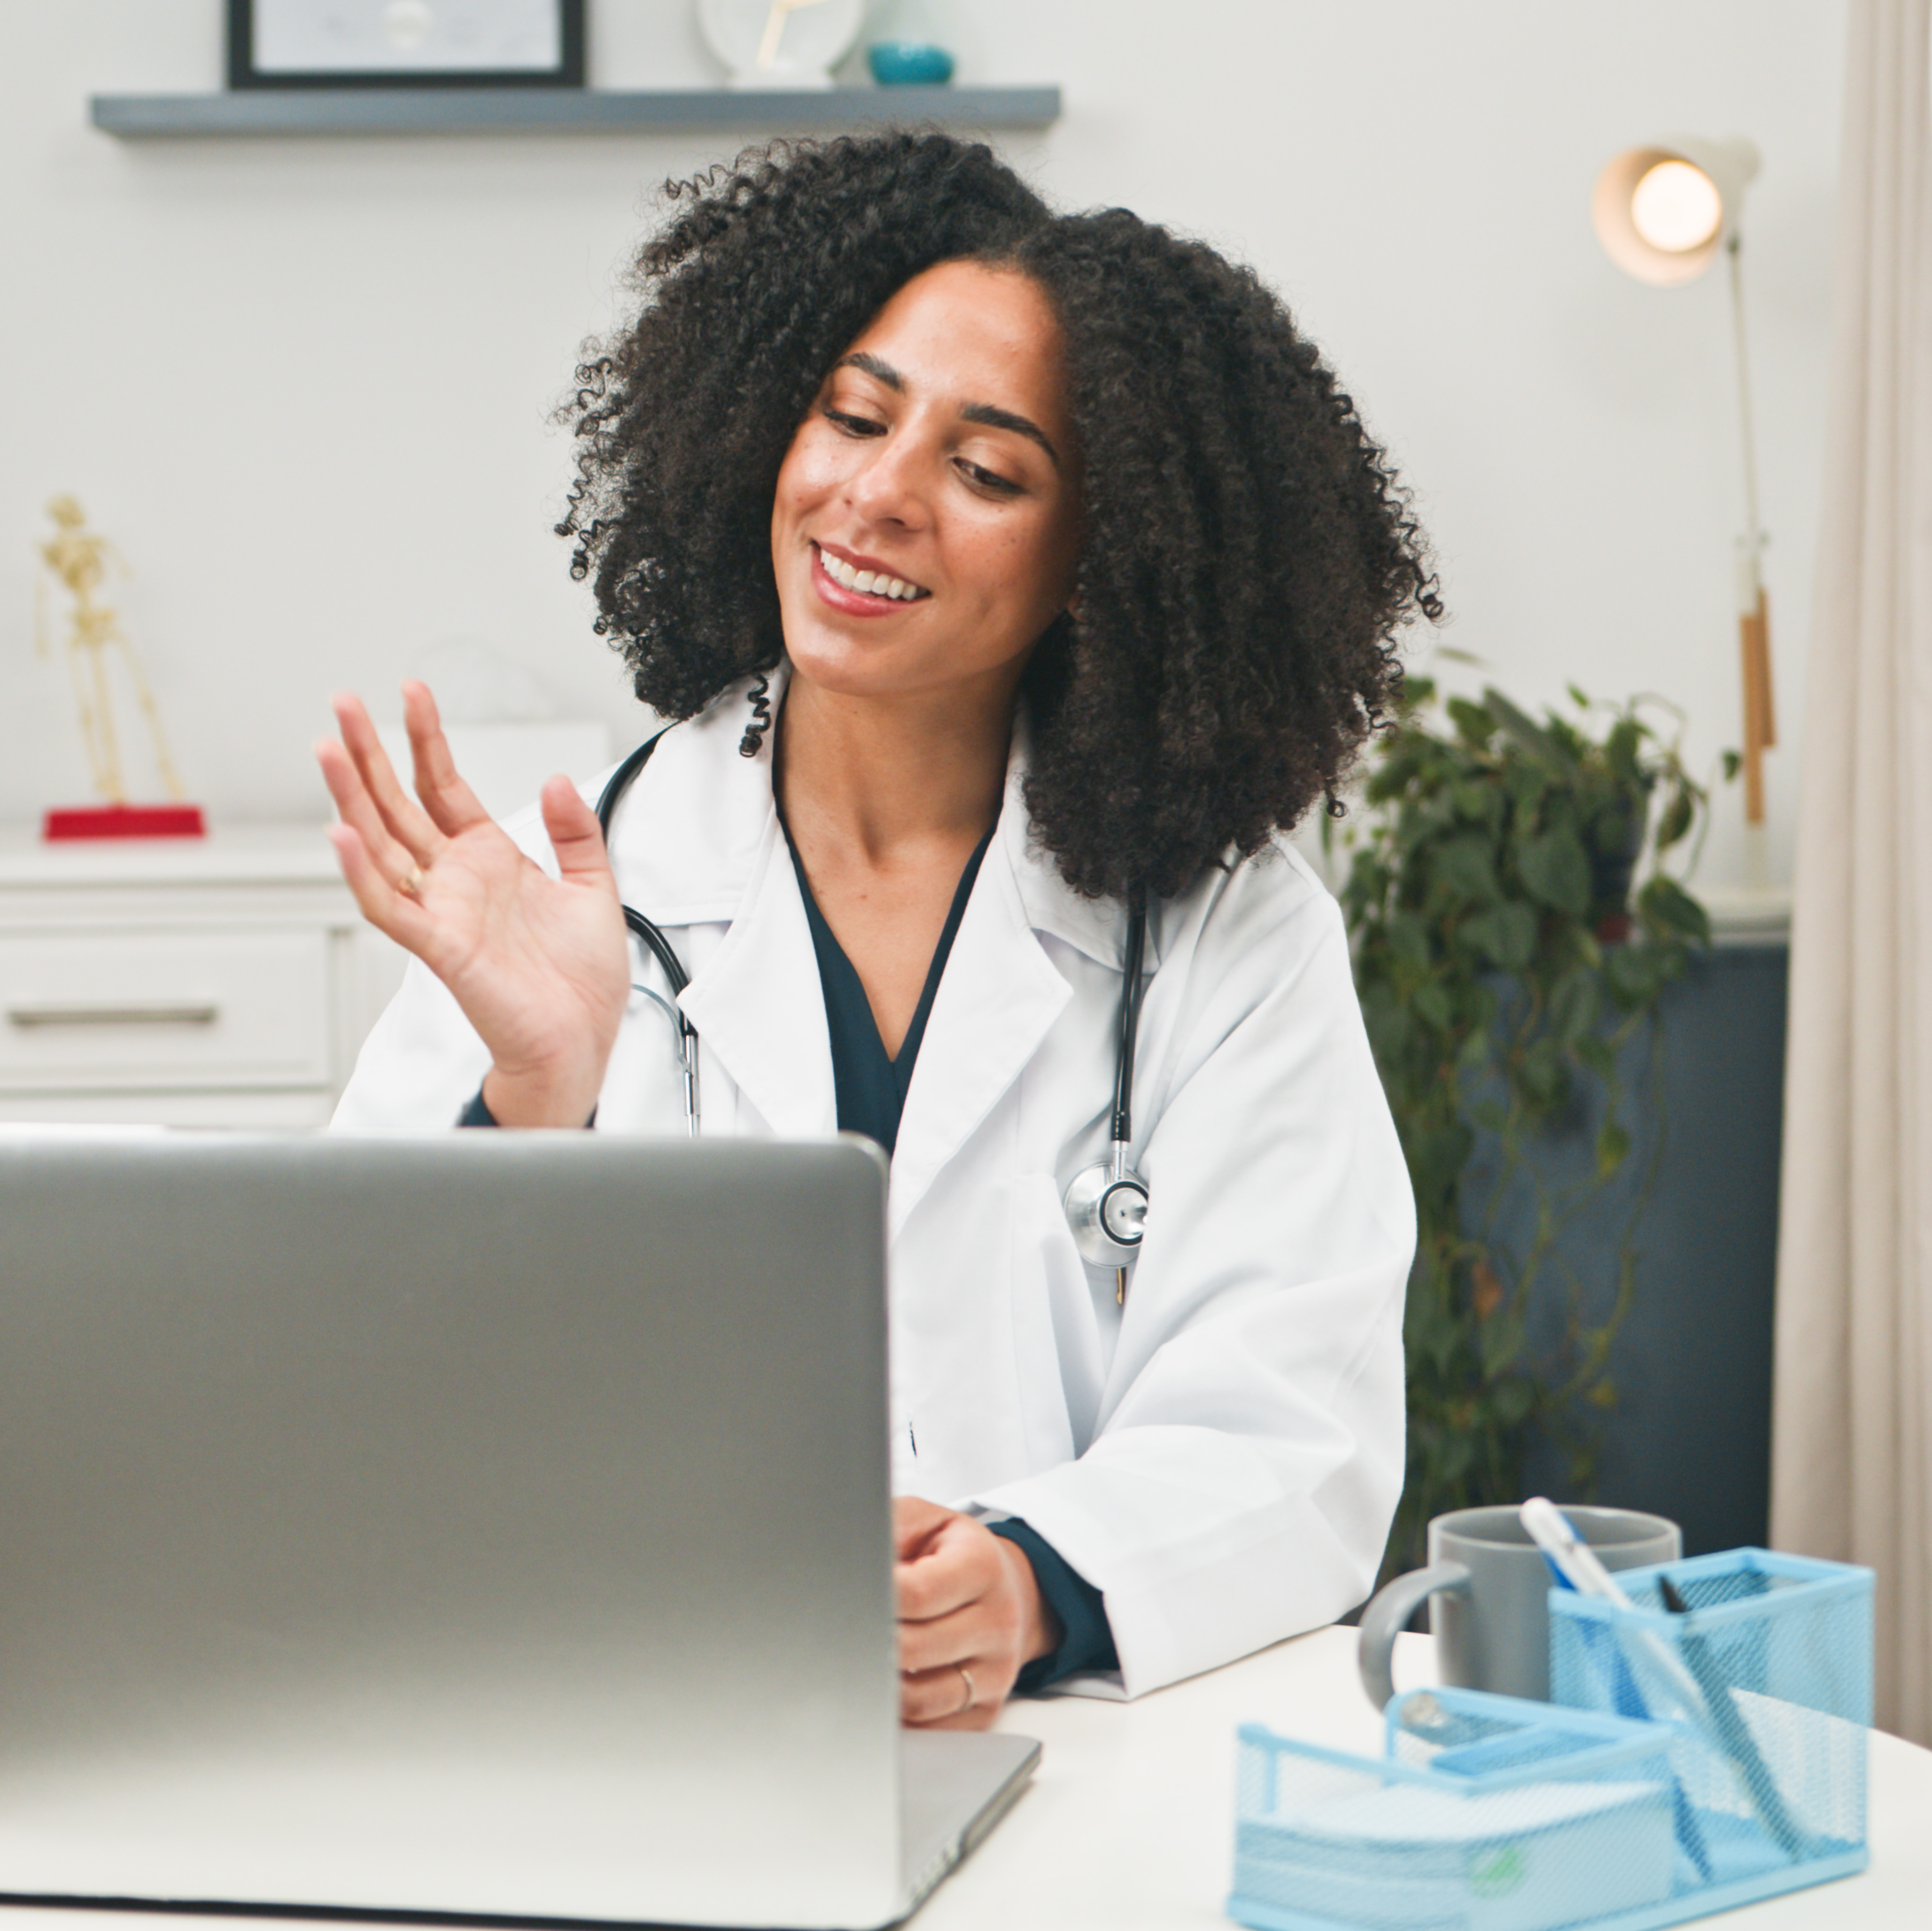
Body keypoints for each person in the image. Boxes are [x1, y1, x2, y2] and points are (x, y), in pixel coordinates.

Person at [318, 133, 1430, 1728]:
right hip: (623, 1722)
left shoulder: (1228, 940)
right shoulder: (571, 886)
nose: (877, 496)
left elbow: (1292, 1423)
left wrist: (1034, 1579)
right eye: (851, 415)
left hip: (1069, 1752)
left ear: (1099, 563)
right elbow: (350, 1400)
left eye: (986, 472)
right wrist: (532, 1102)